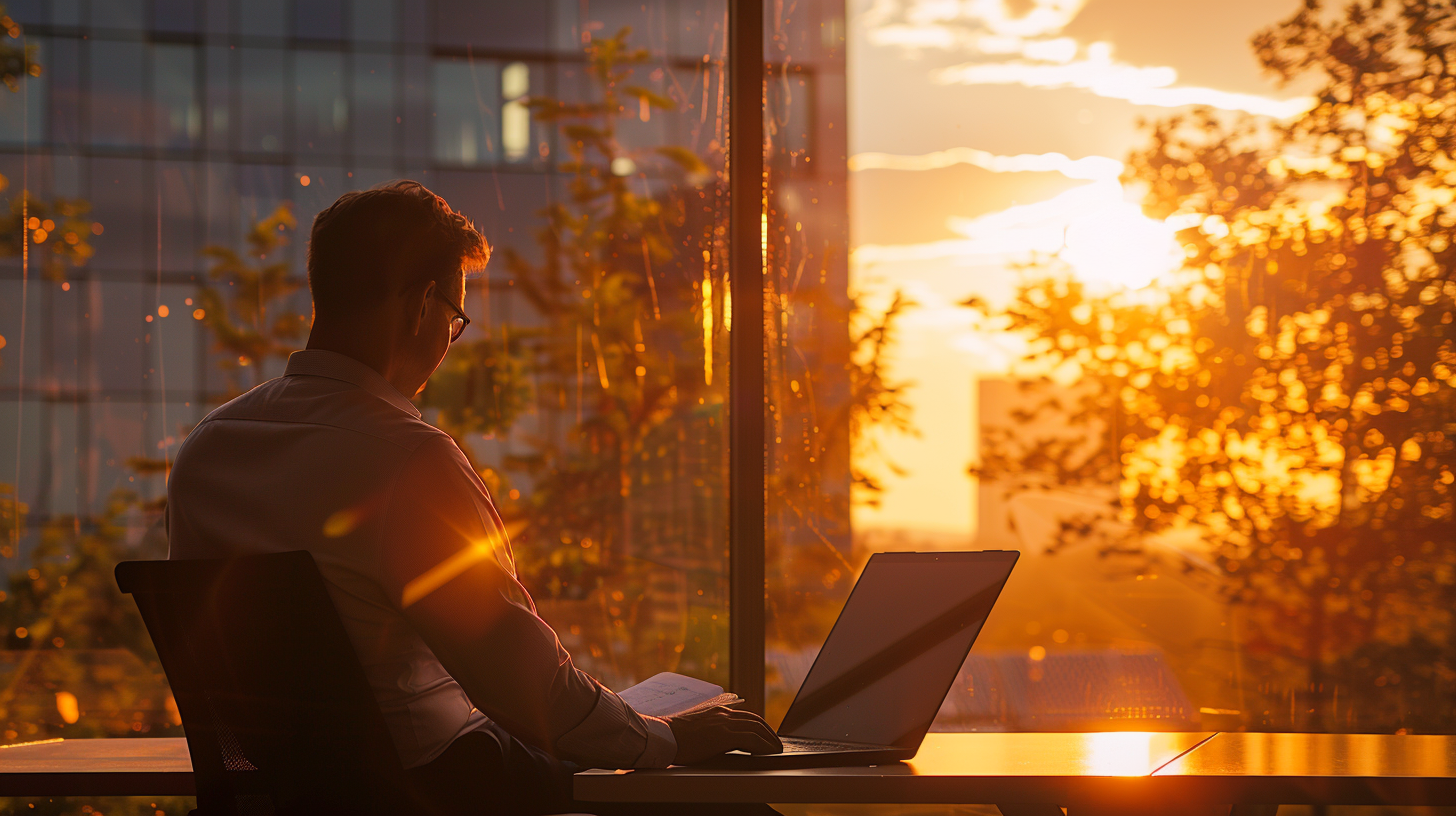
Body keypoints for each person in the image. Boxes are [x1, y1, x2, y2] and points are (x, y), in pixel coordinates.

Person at [166, 181, 782, 815]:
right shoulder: (406, 460)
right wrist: (666, 738)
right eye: (456, 319)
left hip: (278, 801)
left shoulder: (206, 451)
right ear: (420, 306)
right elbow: (523, 685)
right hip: (438, 788)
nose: (448, 342)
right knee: (734, 809)